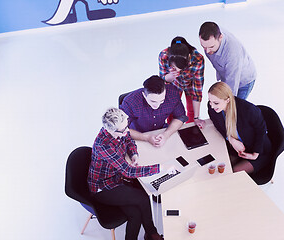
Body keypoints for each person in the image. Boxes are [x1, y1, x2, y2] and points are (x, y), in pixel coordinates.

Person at [87, 107, 164, 240]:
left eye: (127, 126)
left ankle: (150, 235)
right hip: (103, 187)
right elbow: (128, 171)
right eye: (123, 130)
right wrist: (160, 168)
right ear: (110, 130)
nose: (127, 131)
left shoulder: (121, 130)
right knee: (143, 198)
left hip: (117, 178)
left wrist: (134, 154)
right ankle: (152, 233)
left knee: (135, 214)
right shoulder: (103, 145)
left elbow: (129, 140)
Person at [207, 82, 271, 174]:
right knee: (219, 166)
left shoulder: (248, 110)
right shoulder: (212, 108)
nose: (212, 106)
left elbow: (261, 131)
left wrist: (255, 154)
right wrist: (230, 139)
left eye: (216, 103)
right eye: (210, 101)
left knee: (234, 172)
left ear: (227, 100)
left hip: (258, 152)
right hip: (236, 150)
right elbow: (217, 125)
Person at [120, 75, 188, 147]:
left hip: (161, 132)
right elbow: (122, 129)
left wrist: (166, 134)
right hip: (138, 136)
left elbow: (180, 117)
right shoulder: (130, 101)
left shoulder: (172, 93)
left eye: (162, 101)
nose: (157, 105)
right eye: (153, 101)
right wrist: (146, 137)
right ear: (144, 95)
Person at [199, 21, 256, 100]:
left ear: (220, 37)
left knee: (235, 108)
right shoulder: (213, 31)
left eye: (211, 47)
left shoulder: (232, 53)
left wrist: (229, 105)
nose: (207, 51)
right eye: (204, 47)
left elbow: (231, 86)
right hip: (227, 76)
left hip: (243, 81)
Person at [158, 36, 206, 128]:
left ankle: (192, 129)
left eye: (181, 69)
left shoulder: (197, 59)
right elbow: (162, 80)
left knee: (191, 111)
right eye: (175, 68)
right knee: (172, 112)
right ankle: (172, 132)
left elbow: (197, 90)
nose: (179, 72)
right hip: (173, 84)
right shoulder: (163, 55)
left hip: (191, 84)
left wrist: (196, 118)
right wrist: (171, 76)